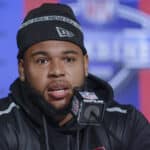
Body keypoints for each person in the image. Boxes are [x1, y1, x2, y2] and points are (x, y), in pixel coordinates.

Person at [0, 2, 150, 150]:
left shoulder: (126, 124)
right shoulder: (4, 123)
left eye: (68, 59)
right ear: (22, 68)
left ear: (85, 64)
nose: (57, 71)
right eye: (42, 61)